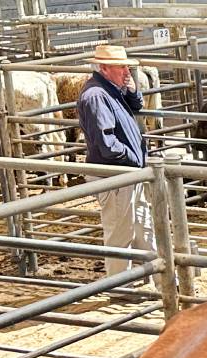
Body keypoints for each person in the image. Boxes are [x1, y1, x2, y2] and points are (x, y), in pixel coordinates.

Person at [77, 45, 153, 283]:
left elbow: (137, 105)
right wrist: (133, 158)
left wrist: (130, 88)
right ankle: (120, 287)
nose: (127, 71)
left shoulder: (110, 90)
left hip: (129, 173)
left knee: (144, 227)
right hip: (116, 175)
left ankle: (162, 279)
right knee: (120, 233)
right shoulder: (97, 96)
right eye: (121, 66)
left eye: (127, 66)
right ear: (104, 68)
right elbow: (107, 145)